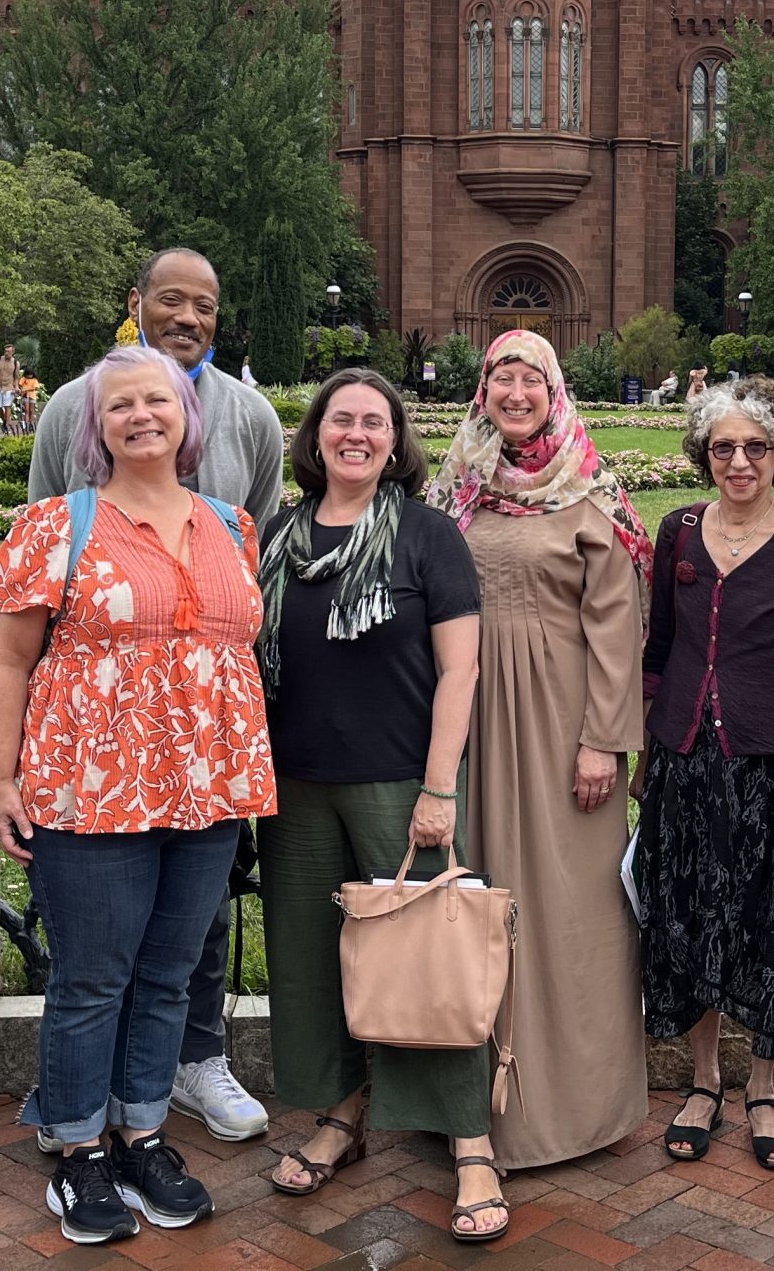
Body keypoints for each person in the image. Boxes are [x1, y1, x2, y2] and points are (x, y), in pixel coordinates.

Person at [0, 345, 274, 1245]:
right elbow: (5, 661)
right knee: (91, 979)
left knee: (168, 974)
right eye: (121, 405)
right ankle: (78, 1151)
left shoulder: (232, 524)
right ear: (95, 426)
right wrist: (1, 778)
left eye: (160, 399)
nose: (142, 415)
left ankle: (144, 1131)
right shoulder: (55, 525)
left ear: (190, 417)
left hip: (207, 791)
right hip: (92, 790)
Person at [27, 247, 282, 1143]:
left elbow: (257, 565)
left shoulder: (247, 421)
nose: (187, 316)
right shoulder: (70, 408)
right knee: (96, 961)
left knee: (189, 937)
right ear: (135, 303)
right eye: (170, 299)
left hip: (203, 751)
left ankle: (183, 1075)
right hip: (98, 748)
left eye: (203, 304)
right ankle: (76, 1132)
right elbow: (33, 609)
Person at [254, 370, 510, 1239]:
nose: (356, 434)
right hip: (294, 788)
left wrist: (440, 788)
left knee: (430, 963)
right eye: (340, 420)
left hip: (402, 782)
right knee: (311, 960)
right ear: (315, 437)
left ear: (396, 442)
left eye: (374, 422)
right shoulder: (279, 535)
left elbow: (460, 671)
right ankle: (342, 1113)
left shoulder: (428, 536)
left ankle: (470, 1142)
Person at [424, 329, 649, 1170]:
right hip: (472, 719)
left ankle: (575, 1109)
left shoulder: (589, 492)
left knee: (570, 911)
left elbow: (617, 628)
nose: (515, 394)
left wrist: (603, 742)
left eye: (531, 380)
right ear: (483, 391)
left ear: (555, 391)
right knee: (475, 903)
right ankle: (466, 1108)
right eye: (501, 379)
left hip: (564, 730)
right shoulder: (460, 489)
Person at [636, 378, 774, 1173]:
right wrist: (647, 757)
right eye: (723, 446)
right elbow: (659, 654)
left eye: (755, 447)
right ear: (702, 453)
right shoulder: (680, 532)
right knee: (690, 915)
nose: (738, 461)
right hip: (687, 761)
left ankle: (763, 1086)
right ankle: (704, 1082)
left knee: (771, 922)